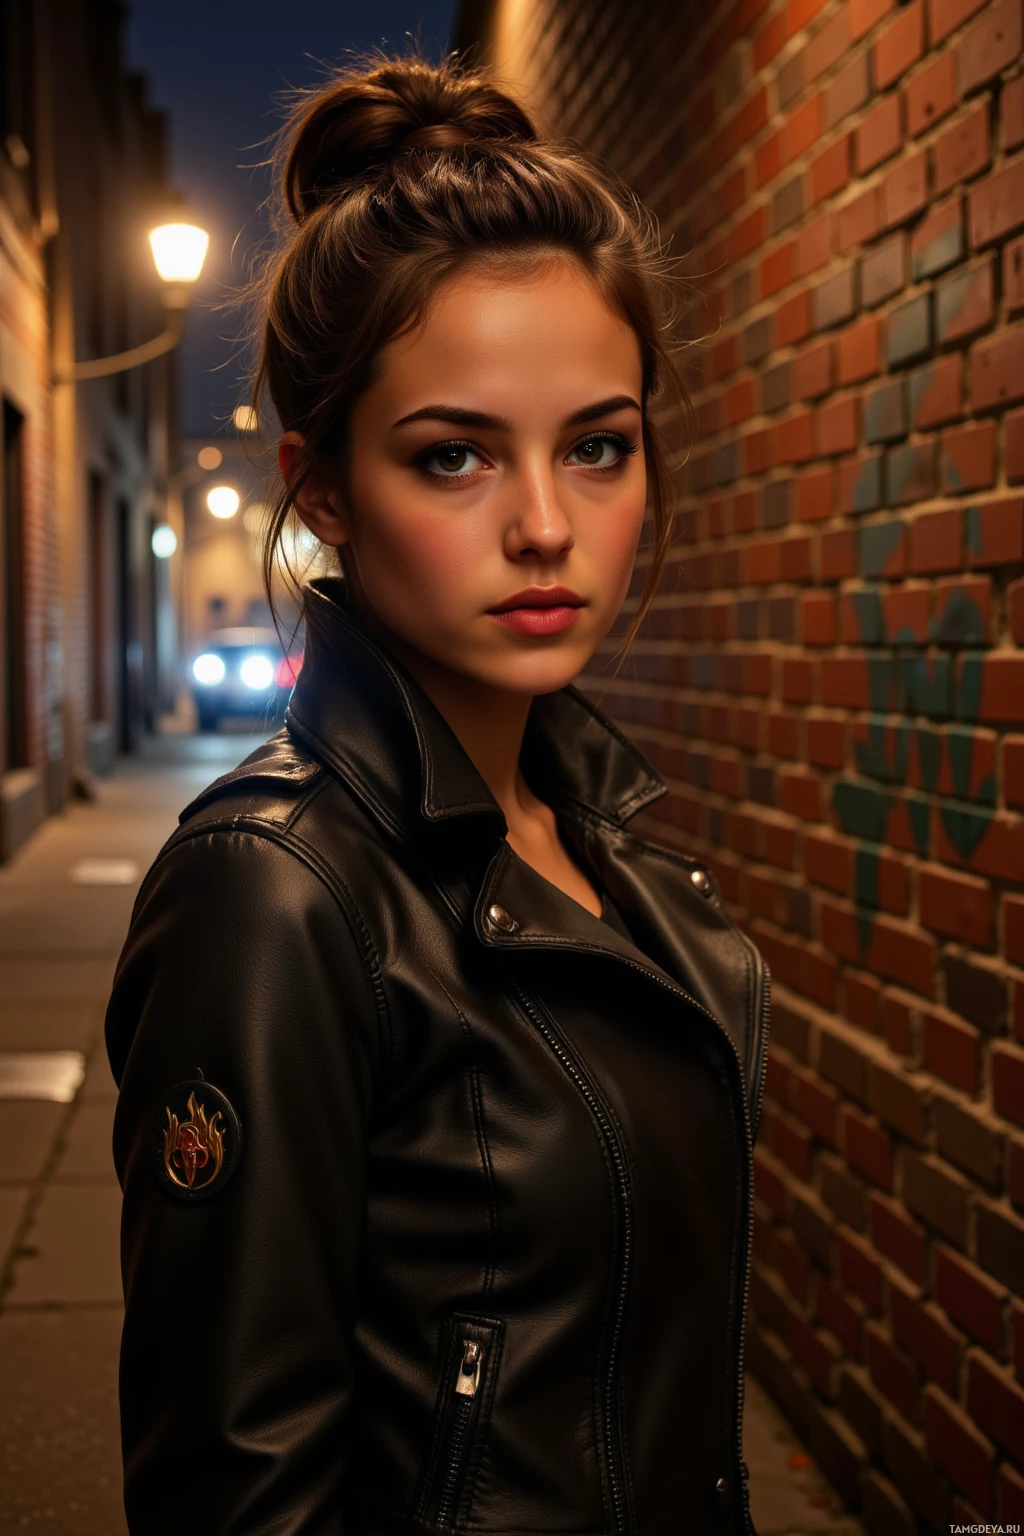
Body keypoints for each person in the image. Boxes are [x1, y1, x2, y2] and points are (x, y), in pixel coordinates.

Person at [105, 54, 770, 1536]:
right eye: (454, 456)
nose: (548, 527)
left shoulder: (606, 840)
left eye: (598, 446)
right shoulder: (272, 894)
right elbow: (236, 1489)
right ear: (322, 488)